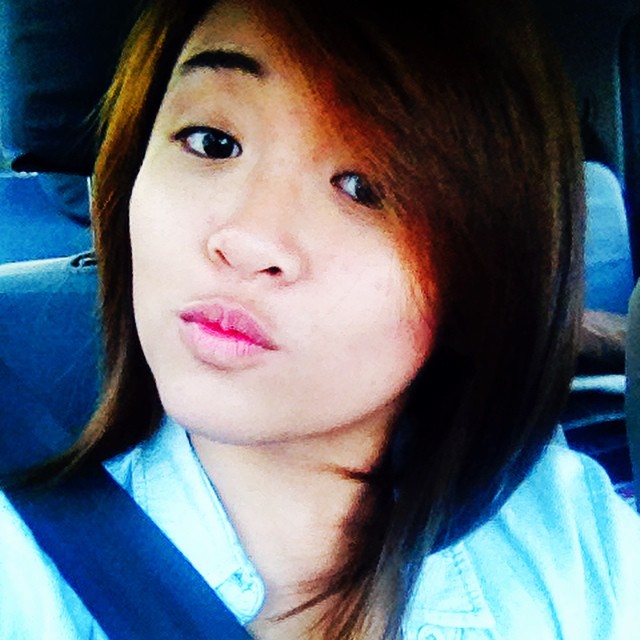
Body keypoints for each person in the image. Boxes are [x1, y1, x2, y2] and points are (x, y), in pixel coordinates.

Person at [1, 0, 639, 638]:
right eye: (213, 142)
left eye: (365, 188)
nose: (245, 240)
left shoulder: (576, 545)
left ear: (482, 281)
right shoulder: (25, 574)